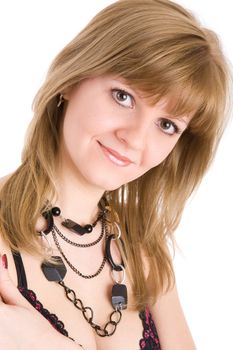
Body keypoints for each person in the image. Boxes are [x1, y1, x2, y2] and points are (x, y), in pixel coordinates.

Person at [0, 0, 231, 349]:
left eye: (166, 125)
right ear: (72, 78)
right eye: (123, 96)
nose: (135, 138)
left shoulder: (145, 256)